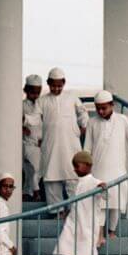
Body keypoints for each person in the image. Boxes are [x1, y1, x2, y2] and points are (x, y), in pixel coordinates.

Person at [83, 90, 128, 235]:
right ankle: (99, 234)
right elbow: (87, 148)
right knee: (100, 203)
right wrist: (85, 169)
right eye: (98, 108)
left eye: (104, 107)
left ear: (112, 105)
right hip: (98, 169)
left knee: (116, 204)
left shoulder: (122, 120)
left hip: (118, 170)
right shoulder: (92, 122)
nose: (100, 111)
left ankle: (111, 231)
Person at [54, 149, 105, 255]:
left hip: (88, 225)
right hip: (73, 224)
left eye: (77, 165)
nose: (75, 169)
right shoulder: (78, 183)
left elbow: (104, 193)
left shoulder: (95, 182)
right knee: (63, 251)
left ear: (87, 165)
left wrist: (102, 188)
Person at [38, 68, 87, 206]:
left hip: (70, 143)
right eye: (53, 85)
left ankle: (75, 209)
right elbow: (35, 119)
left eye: (59, 85)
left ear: (64, 83)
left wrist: (83, 125)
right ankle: (56, 211)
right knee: (51, 177)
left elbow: (82, 112)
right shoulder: (42, 101)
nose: (56, 88)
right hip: (51, 144)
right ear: (48, 84)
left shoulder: (71, 96)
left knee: (73, 175)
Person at [21, 75, 45, 200]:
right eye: (32, 92)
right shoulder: (21, 105)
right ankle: (36, 191)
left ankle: (26, 192)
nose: (35, 95)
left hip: (39, 144)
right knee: (32, 169)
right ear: (26, 90)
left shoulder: (42, 105)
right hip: (26, 143)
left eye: (37, 92)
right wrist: (21, 128)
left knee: (36, 171)